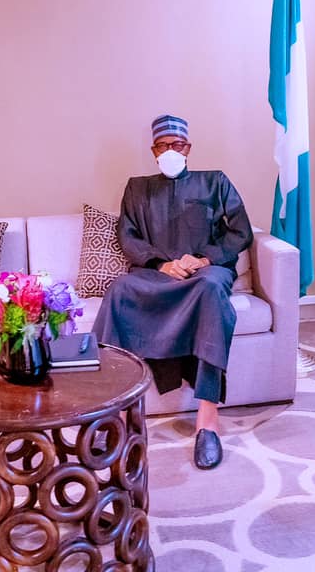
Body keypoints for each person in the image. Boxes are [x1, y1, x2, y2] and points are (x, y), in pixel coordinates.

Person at [92, 114, 253, 470]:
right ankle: (109, 415)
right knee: (119, 289)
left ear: (188, 148)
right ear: (153, 151)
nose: (170, 151)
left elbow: (240, 232)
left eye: (176, 145)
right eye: (162, 146)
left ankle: (208, 422)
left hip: (204, 274)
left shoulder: (215, 182)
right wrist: (161, 265)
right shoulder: (137, 187)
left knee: (212, 290)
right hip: (157, 275)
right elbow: (129, 236)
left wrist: (203, 260)